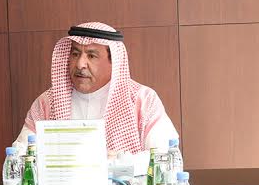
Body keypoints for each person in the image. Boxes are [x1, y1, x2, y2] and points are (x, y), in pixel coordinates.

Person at [16, 22, 178, 169]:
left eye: (91, 56)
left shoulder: (143, 100)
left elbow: (166, 158)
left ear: (113, 62)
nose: (80, 64)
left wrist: (117, 162)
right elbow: (17, 159)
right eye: (75, 54)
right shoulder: (46, 103)